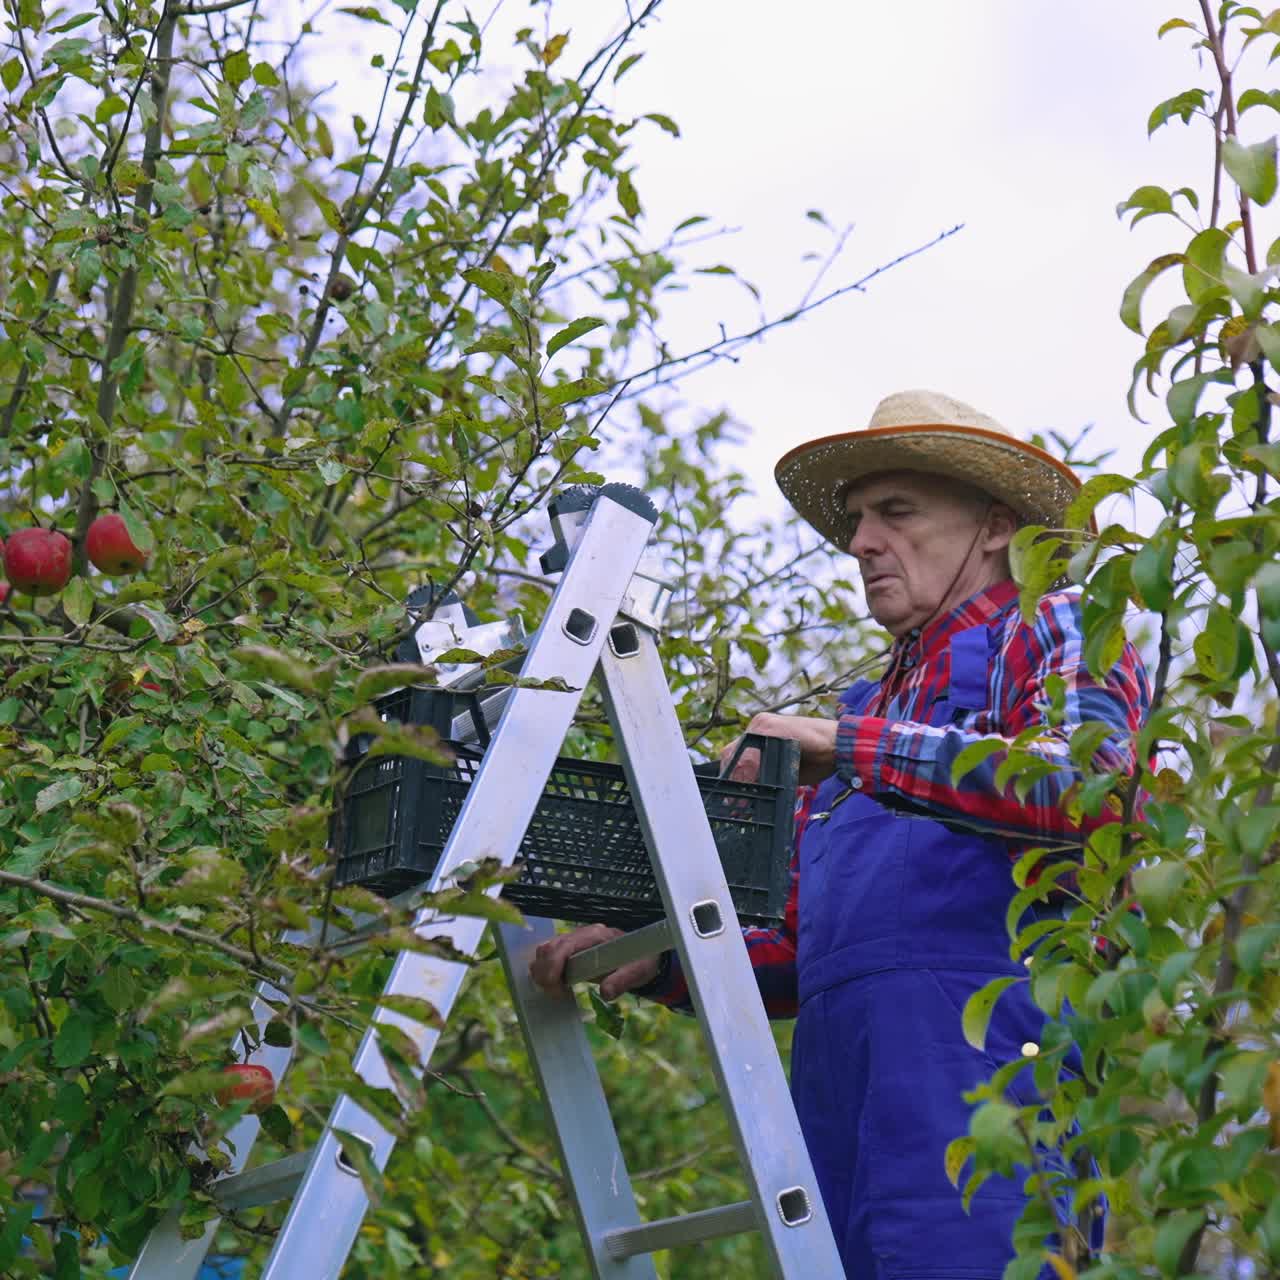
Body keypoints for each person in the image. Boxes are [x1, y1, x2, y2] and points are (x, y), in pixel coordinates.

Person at [530, 390, 1151, 1279]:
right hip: (842, 1099)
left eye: (896, 513)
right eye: (858, 520)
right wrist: (660, 959)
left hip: (993, 1100)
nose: (861, 543)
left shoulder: (1054, 626)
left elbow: (1089, 788)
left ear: (994, 525)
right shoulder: (868, 712)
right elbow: (804, 949)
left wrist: (847, 746)